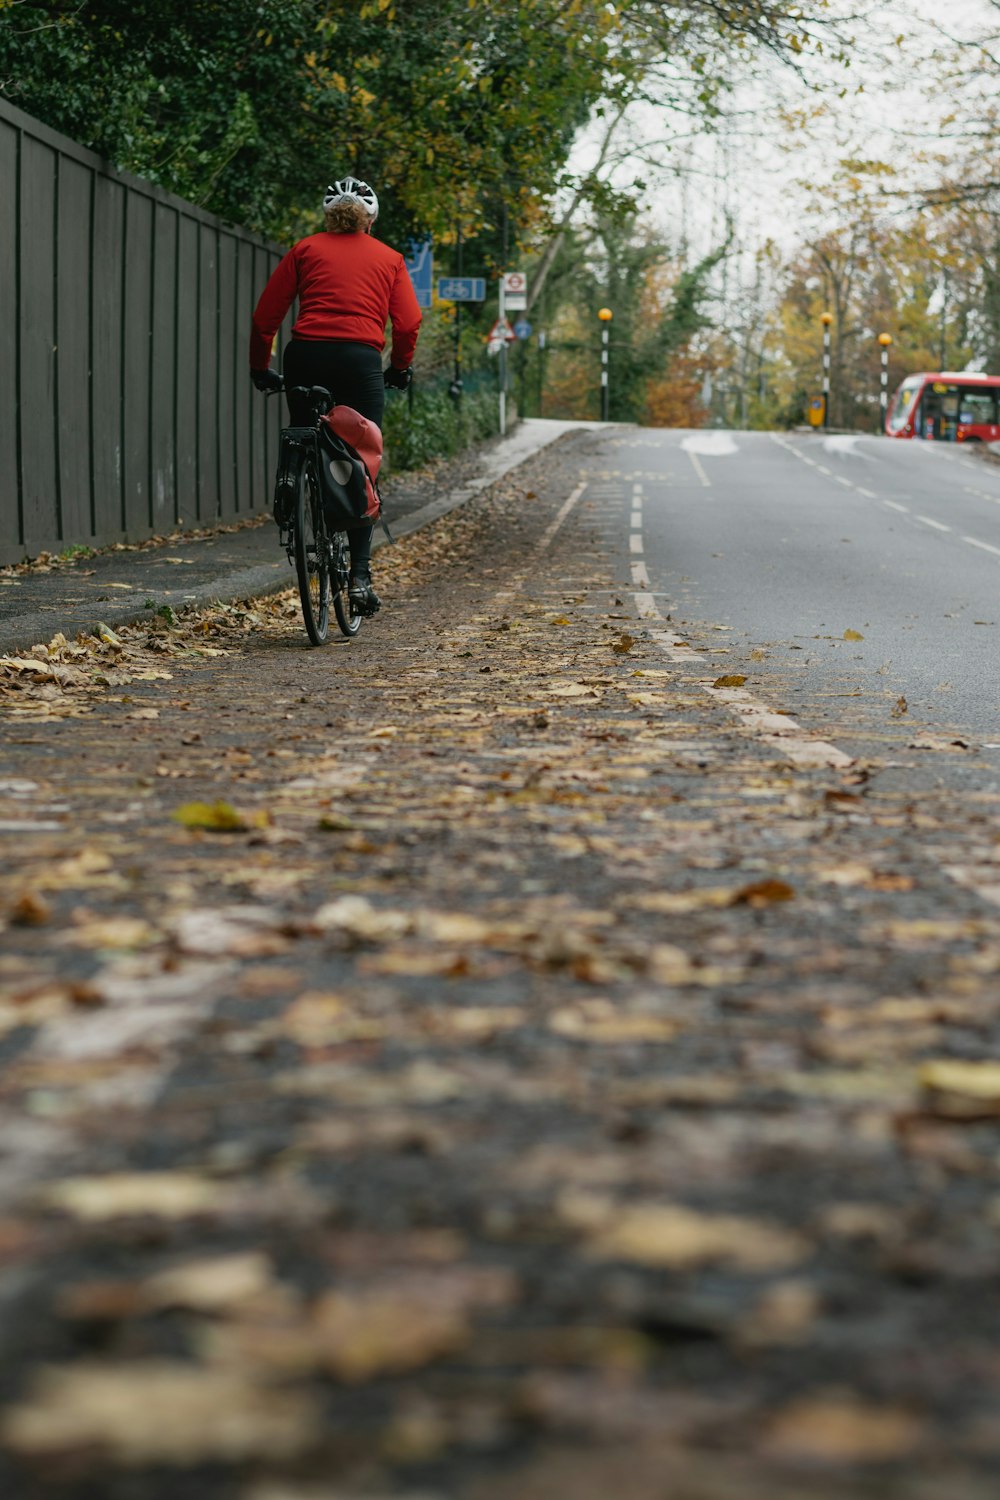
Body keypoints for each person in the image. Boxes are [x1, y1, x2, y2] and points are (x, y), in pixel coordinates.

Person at [249, 177, 421, 616]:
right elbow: (407, 323)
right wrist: (399, 367)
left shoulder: (304, 250)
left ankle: (294, 474)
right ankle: (360, 577)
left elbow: (266, 315)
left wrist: (260, 367)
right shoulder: (390, 258)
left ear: (328, 215)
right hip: (358, 362)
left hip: (304, 355)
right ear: (372, 218)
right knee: (363, 458)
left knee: (305, 428)